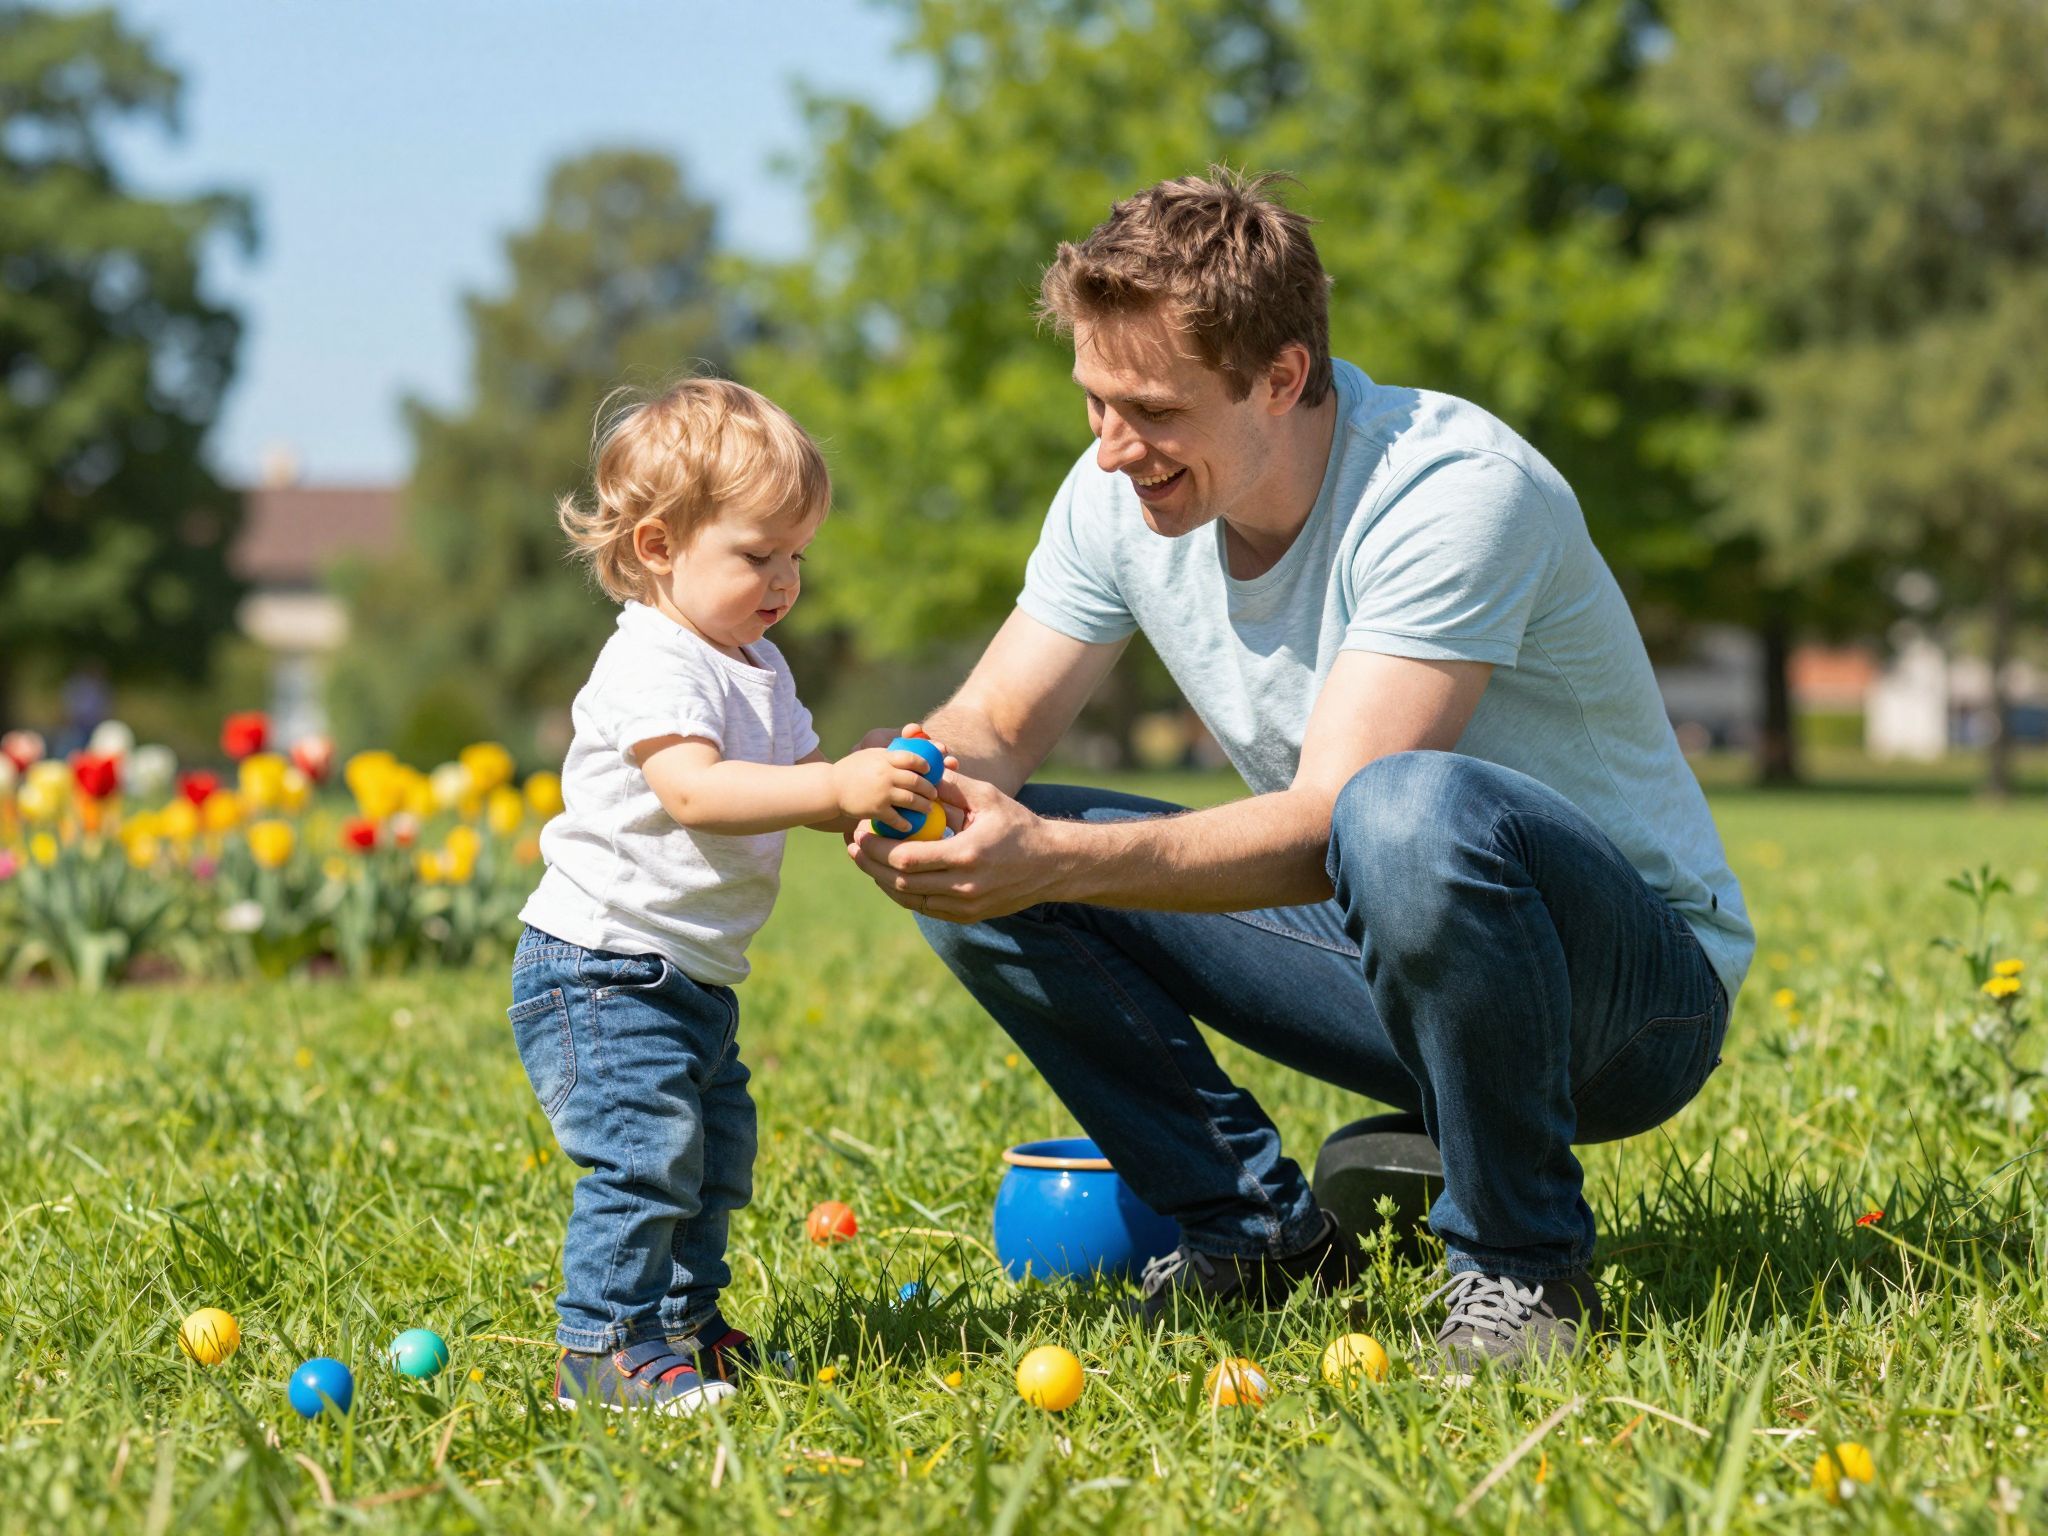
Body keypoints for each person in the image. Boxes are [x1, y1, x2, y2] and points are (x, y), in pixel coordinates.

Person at [849, 170, 1754, 1376]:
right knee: (977, 860)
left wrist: (1050, 858)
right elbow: (997, 721)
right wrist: (914, 780)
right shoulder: (1117, 491)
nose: (1112, 448)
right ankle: (1257, 1239)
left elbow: (1332, 820)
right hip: (1390, 940)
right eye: (1093, 401)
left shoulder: (1451, 490)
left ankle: (1519, 1269)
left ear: (1279, 377)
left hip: (1629, 1003)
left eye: (1151, 410)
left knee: (1400, 810)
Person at [512, 379, 945, 1413]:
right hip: (602, 970)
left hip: (688, 975)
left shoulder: (757, 663)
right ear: (659, 546)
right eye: (758, 555)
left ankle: (685, 1327)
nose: (784, 581)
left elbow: (794, 782)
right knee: (643, 1158)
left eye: (798, 556)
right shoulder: (652, 660)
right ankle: (602, 1351)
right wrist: (834, 787)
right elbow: (699, 793)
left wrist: (864, 777)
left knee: (710, 1159)